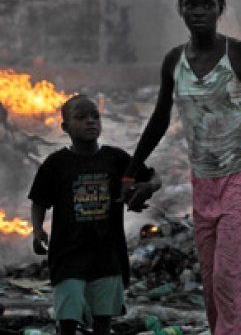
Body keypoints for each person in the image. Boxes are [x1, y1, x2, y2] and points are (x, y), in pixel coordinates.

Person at [120, 0, 241, 333]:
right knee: (211, 287)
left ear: (220, 8)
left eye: (207, 4)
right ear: (181, 9)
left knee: (229, 276)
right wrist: (131, 171)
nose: (198, 12)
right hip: (203, 185)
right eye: (191, 4)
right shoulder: (173, 62)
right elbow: (160, 119)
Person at [28, 94, 161, 335]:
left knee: (103, 324)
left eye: (95, 116)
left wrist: (146, 187)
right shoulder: (56, 163)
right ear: (65, 127)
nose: (91, 121)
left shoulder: (116, 158)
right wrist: (37, 230)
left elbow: (154, 178)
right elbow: (39, 201)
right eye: (81, 117)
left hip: (107, 255)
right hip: (68, 255)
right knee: (67, 320)